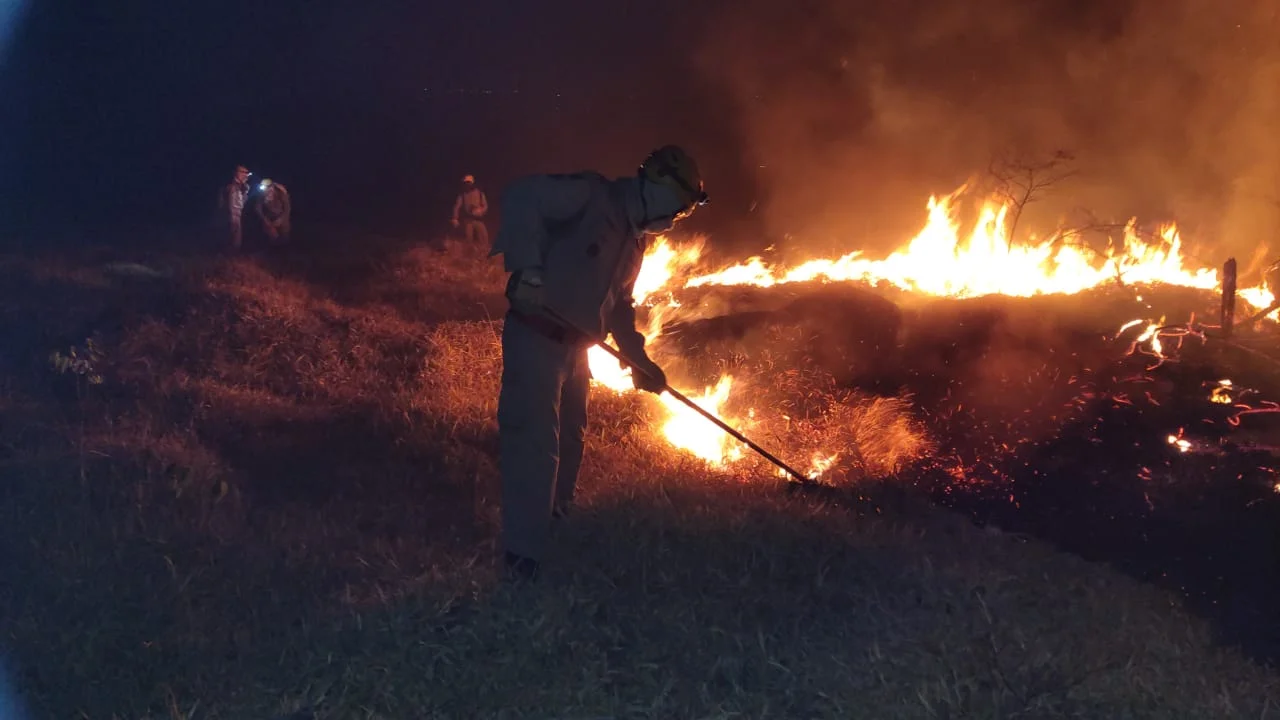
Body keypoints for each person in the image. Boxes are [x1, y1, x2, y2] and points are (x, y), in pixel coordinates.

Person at [488, 145, 708, 581]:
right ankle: (522, 557)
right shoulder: (589, 196)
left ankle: (556, 524)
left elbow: (619, 307)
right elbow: (522, 196)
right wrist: (529, 271)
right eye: (678, 210)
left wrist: (638, 359)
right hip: (537, 337)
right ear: (658, 186)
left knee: (571, 438)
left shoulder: (634, 243)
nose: (676, 220)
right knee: (535, 444)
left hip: (577, 350)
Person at [217, 165, 251, 251]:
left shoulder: (244, 186)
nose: (246, 175)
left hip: (238, 212)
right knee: (230, 232)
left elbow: (244, 197)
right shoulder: (229, 185)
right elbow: (223, 198)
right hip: (229, 212)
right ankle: (225, 252)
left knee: (236, 234)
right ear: (237, 173)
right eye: (243, 172)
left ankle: (234, 252)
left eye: (246, 173)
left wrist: (243, 185)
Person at [451, 174, 490, 246]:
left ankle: (484, 253)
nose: (467, 185)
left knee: (484, 238)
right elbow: (457, 206)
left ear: (472, 183)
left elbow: (485, 206)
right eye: (465, 183)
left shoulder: (480, 193)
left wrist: (480, 211)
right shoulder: (462, 195)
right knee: (468, 240)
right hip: (468, 220)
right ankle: (469, 254)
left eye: (468, 183)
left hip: (479, 219)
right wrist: (455, 218)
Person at [255, 178, 292, 246]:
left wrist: (281, 219)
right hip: (270, 217)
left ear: (271, 187)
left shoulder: (280, 193)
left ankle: (285, 251)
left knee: (285, 236)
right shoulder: (262, 195)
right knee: (272, 236)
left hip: (282, 216)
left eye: (267, 187)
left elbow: (287, 208)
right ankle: (273, 249)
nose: (265, 190)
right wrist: (264, 219)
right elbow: (258, 208)